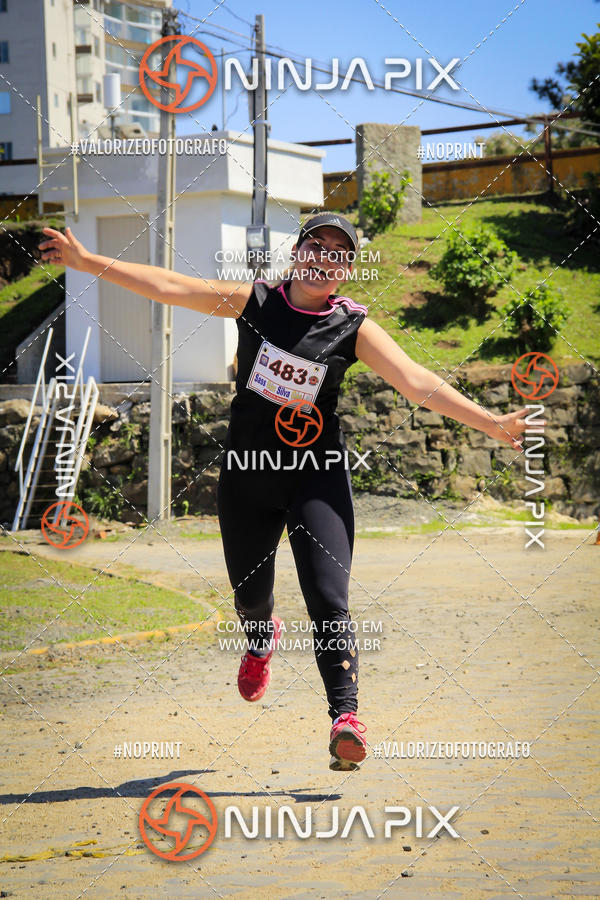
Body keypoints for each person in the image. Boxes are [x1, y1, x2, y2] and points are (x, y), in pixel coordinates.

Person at [39, 213, 532, 772]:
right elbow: (172, 287)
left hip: (316, 475)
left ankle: (346, 718)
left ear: (346, 271)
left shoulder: (353, 327)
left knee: (329, 597)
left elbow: (417, 381)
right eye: (317, 245)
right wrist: (87, 263)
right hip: (249, 475)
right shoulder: (255, 302)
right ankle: (259, 636)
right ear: (298, 252)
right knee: (250, 594)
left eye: (340, 253)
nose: (326, 257)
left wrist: (491, 422)